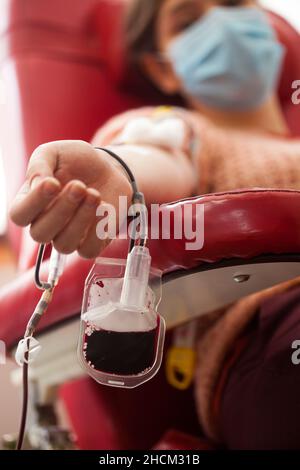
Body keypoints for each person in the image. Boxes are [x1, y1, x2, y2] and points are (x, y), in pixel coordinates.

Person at [9, 0, 300, 449]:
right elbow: (154, 157)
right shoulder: (177, 127)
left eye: (231, 4)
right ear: (162, 70)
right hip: (270, 337)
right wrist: (115, 171)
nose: (222, 23)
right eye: (188, 20)